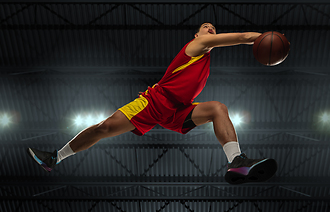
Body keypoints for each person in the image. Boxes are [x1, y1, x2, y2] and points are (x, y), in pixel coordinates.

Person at [27, 23, 277, 184]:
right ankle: (55, 157)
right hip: (154, 102)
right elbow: (244, 36)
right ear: (197, 35)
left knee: (217, 109)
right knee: (104, 128)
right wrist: (267, 38)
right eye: (205, 27)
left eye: (213, 27)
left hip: (177, 110)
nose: (210, 29)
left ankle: (236, 161)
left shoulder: (204, 59)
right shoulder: (197, 46)